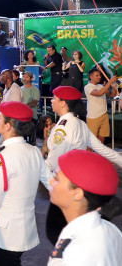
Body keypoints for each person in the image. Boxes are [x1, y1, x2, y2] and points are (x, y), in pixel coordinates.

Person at [0, 101, 53, 266]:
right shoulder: (33, 151)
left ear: (8, 126)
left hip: (6, 232)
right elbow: (52, 183)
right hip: (25, 227)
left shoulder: (1, 157)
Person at [44, 86, 122, 245]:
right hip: (79, 187)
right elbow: (102, 150)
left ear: (63, 103)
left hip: (64, 188)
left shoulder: (63, 128)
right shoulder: (80, 124)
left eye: (54, 98)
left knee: (59, 236)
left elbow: (52, 163)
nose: (51, 101)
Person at [47, 150, 122, 265]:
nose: (51, 182)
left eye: (57, 179)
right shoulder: (110, 229)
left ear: (76, 193)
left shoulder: (78, 252)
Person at [84, 68, 119, 143]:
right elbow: (99, 93)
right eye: (97, 75)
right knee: (91, 140)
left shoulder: (101, 86)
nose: (99, 77)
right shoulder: (88, 87)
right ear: (91, 76)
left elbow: (112, 94)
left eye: (99, 75)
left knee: (102, 137)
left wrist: (115, 86)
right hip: (93, 117)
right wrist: (110, 82)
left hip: (104, 115)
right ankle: (89, 154)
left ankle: (99, 153)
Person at [21, 71, 40, 143]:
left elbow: (34, 103)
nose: (24, 78)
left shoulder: (35, 90)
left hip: (32, 117)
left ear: (31, 79)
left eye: (27, 77)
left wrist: (22, 106)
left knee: (32, 140)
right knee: (23, 140)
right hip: (21, 117)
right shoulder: (19, 89)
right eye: (24, 77)